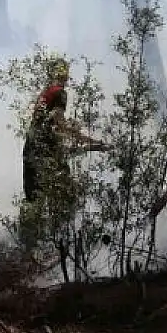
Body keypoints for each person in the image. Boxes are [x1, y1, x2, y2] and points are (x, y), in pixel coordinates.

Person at [19, 59, 106, 250]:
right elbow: (58, 123)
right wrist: (88, 140)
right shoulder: (59, 93)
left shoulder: (45, 94)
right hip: (46, 153)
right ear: (63, 74)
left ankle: (28, 248)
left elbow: (49, 128)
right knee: (66, 195)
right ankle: (65, 242)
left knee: (33, 198)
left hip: (31, 148)